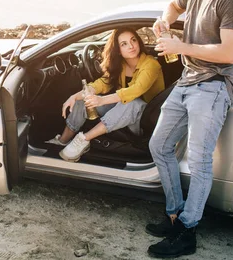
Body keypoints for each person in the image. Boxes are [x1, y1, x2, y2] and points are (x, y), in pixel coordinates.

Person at [146, 0, 233, 258]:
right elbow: (174, 5)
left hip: (214, 85)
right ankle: (175, 214)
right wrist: (165, 21)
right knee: (159, 145)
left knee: (199, 159)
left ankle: (187, 231)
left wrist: (181, 47)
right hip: (187, 80)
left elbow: (230, 52)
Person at [46, 27, 165, 162]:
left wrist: (101, 101)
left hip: (146, 118)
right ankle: (63, 140)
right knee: (84, 99)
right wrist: (75, 96)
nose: (131, 46)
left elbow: (135, 91)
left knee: (133, 102)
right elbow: (102, 83)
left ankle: (83, 139)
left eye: (133, 40)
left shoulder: (151, 64)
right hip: (122, 111)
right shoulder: (121, 65)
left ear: (139, 42)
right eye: (124, 44)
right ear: (118, 50)